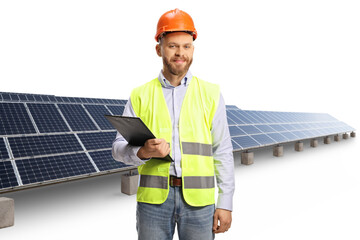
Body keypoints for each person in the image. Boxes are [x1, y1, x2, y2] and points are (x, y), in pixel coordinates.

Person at [112, 8, 235, 240]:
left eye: (186, 46)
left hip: (200, 204)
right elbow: (117, 148)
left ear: (193, 49)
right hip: (153, 203)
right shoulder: (140, 95)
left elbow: (223, 151)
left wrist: (225, 202)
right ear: (159, 49)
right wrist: (143, 152)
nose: (181, 53)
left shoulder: (211, 94)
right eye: (173, 46)